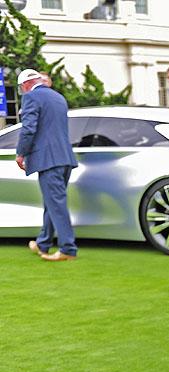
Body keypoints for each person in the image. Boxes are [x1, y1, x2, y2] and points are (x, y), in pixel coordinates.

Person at [15, 69, 79, 262]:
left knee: (56, 204)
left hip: (48, 160)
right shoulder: (58, 98)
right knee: (52, 203)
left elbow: (29, 128)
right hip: (64, 158)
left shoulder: (31, 97)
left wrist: (21, 153)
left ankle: (68, 248)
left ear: (25, 85)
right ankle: (43, 243)